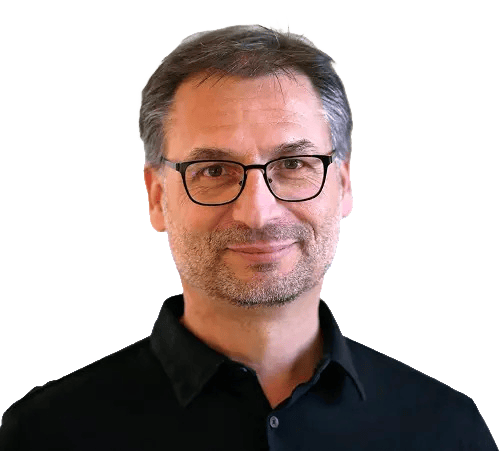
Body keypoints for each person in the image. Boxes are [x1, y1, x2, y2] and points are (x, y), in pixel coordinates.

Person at [0, 22, 497, 451]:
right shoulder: (45, 435)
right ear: (156, 197)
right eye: (214, 170)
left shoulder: (446, 431)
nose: (257, 213)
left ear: (344, 186)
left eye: (294, 164)